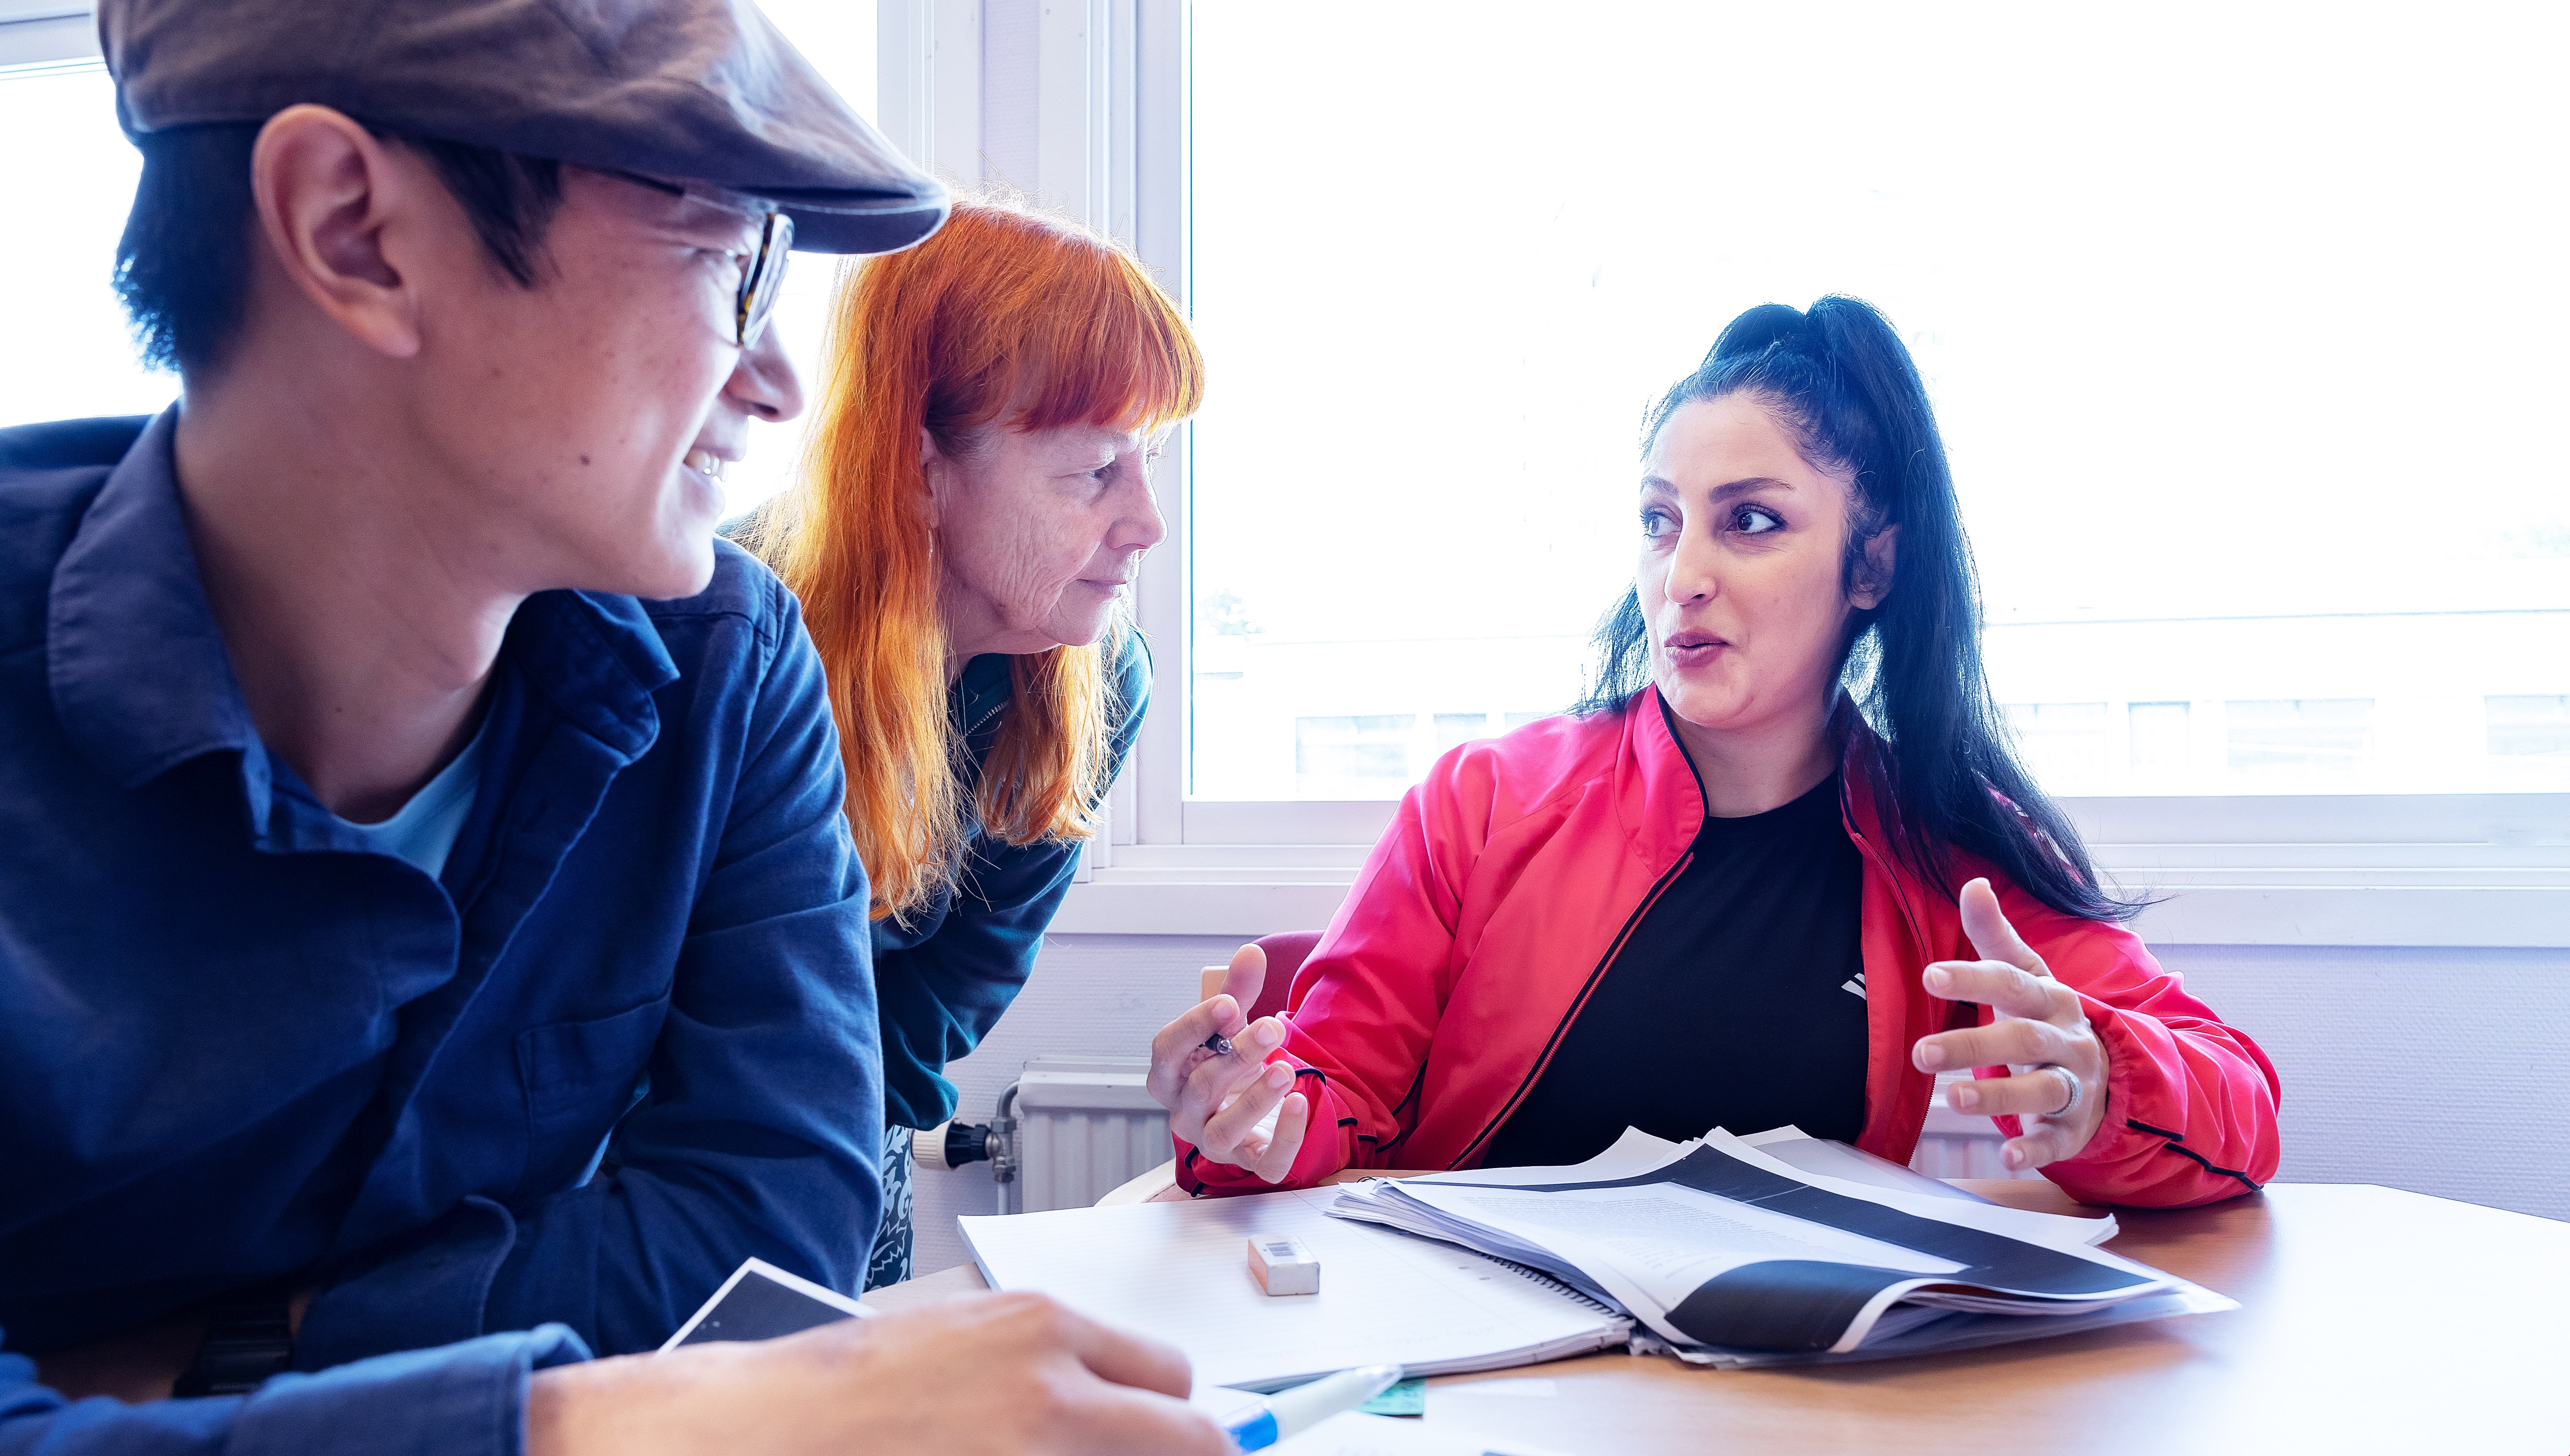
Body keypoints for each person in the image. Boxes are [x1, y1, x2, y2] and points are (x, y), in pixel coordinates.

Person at [0, 2, 1223, 1453]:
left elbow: (766, 1229)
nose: (776, 386)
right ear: (354, 232)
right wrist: (569, 1421)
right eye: (722, 256)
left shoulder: (727, 671)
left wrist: (204, 1368)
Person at [1148, 297, 2281, 1208]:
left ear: (1872, 565)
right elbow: (1330, 1093)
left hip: (1784, 1393)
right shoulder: (1482, 802)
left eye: (1750, 520)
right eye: (1660, 519)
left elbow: (2241, 1102)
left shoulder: (1946, 842)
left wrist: (2101, 1085)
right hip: (1485, 1382)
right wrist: (1252, 1115)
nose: (1682, 573)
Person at [746, 198, 1199, 1287]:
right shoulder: (734, 638)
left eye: (1148, 463)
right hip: (648, 1161)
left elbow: (947, 994)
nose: (1147, 522)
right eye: (1096, 471)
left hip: (854, 1138)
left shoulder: (1099, 677)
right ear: (920, 469)